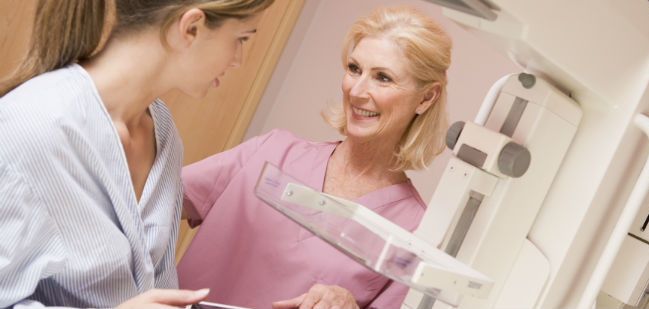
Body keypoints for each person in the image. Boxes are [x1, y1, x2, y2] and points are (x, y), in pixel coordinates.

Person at [0, 0, 274, 307]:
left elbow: (155, 285)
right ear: (191, 28)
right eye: (241, 38)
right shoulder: (29, 129)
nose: (238, 59)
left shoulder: (163, 133)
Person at [177, 5, 453, 309]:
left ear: (426, 98)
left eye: (383, 78)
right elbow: (140, 202)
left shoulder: (412, 231)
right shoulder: (272, 152)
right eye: (354, 69)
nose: (357, 90)